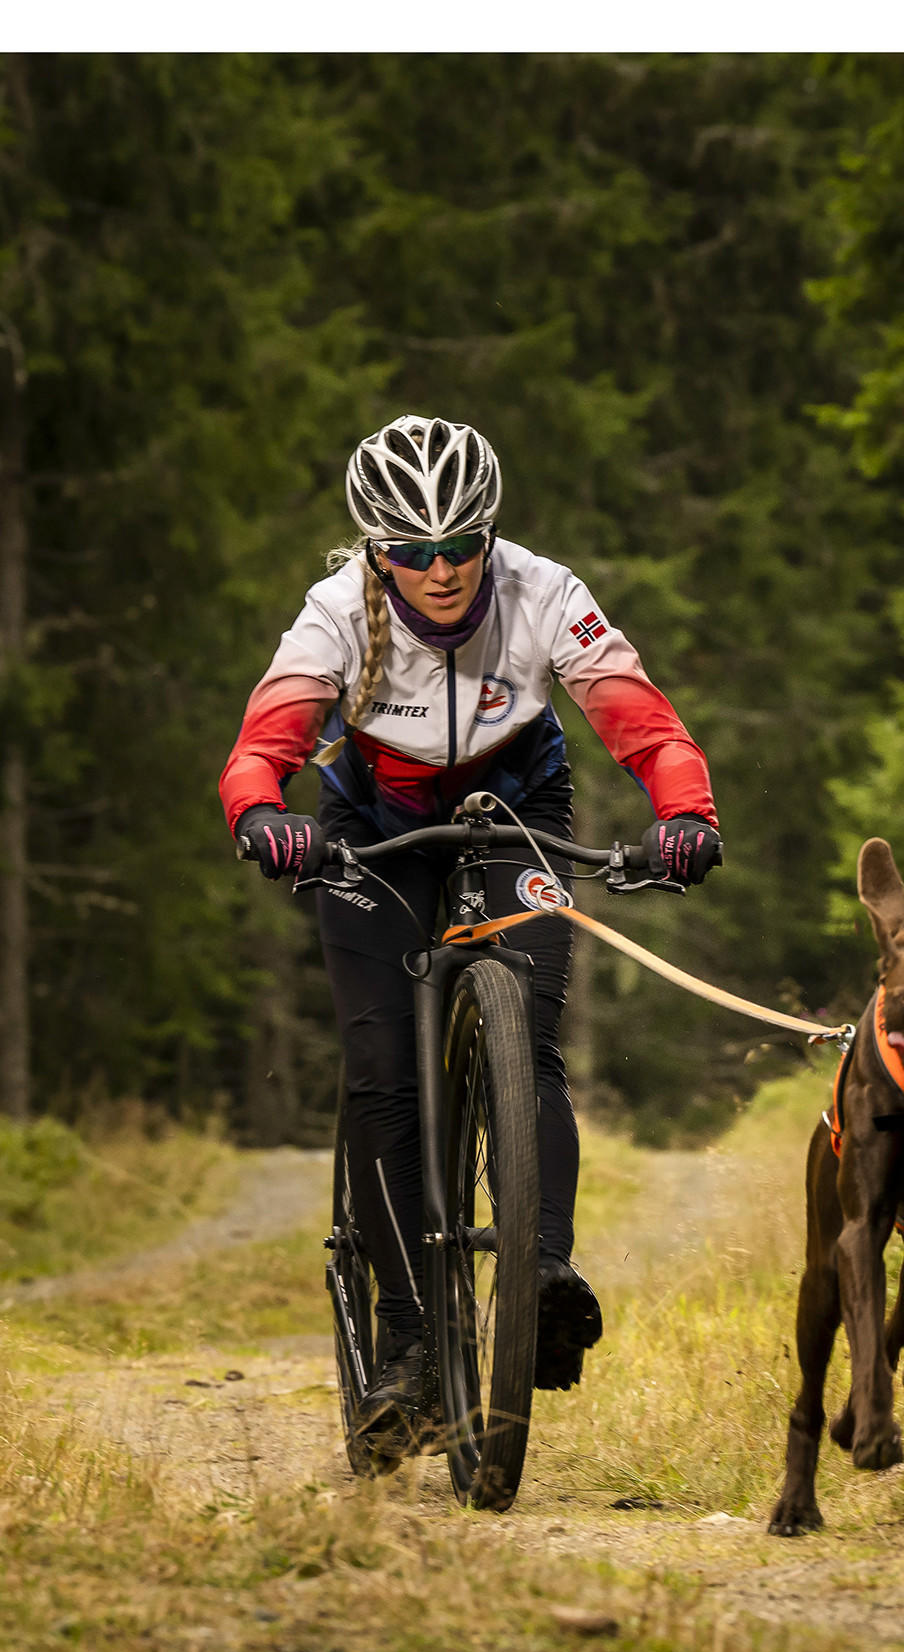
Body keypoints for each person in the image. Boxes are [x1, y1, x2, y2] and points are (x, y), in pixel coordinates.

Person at [220, 414, 721, 1461]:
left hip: (515, 810)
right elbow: (264, 742)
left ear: (490, 537)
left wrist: (685, 815)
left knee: (529, 1041)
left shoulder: (547, 593)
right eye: (411, 550)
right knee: (382, 1077)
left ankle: (540, 1276)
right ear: (376, 549)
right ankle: (405, 1343)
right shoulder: (331, 617)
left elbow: (644, 723)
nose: (440, 570)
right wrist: (265, 814)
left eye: (461, 545)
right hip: (375, 834)